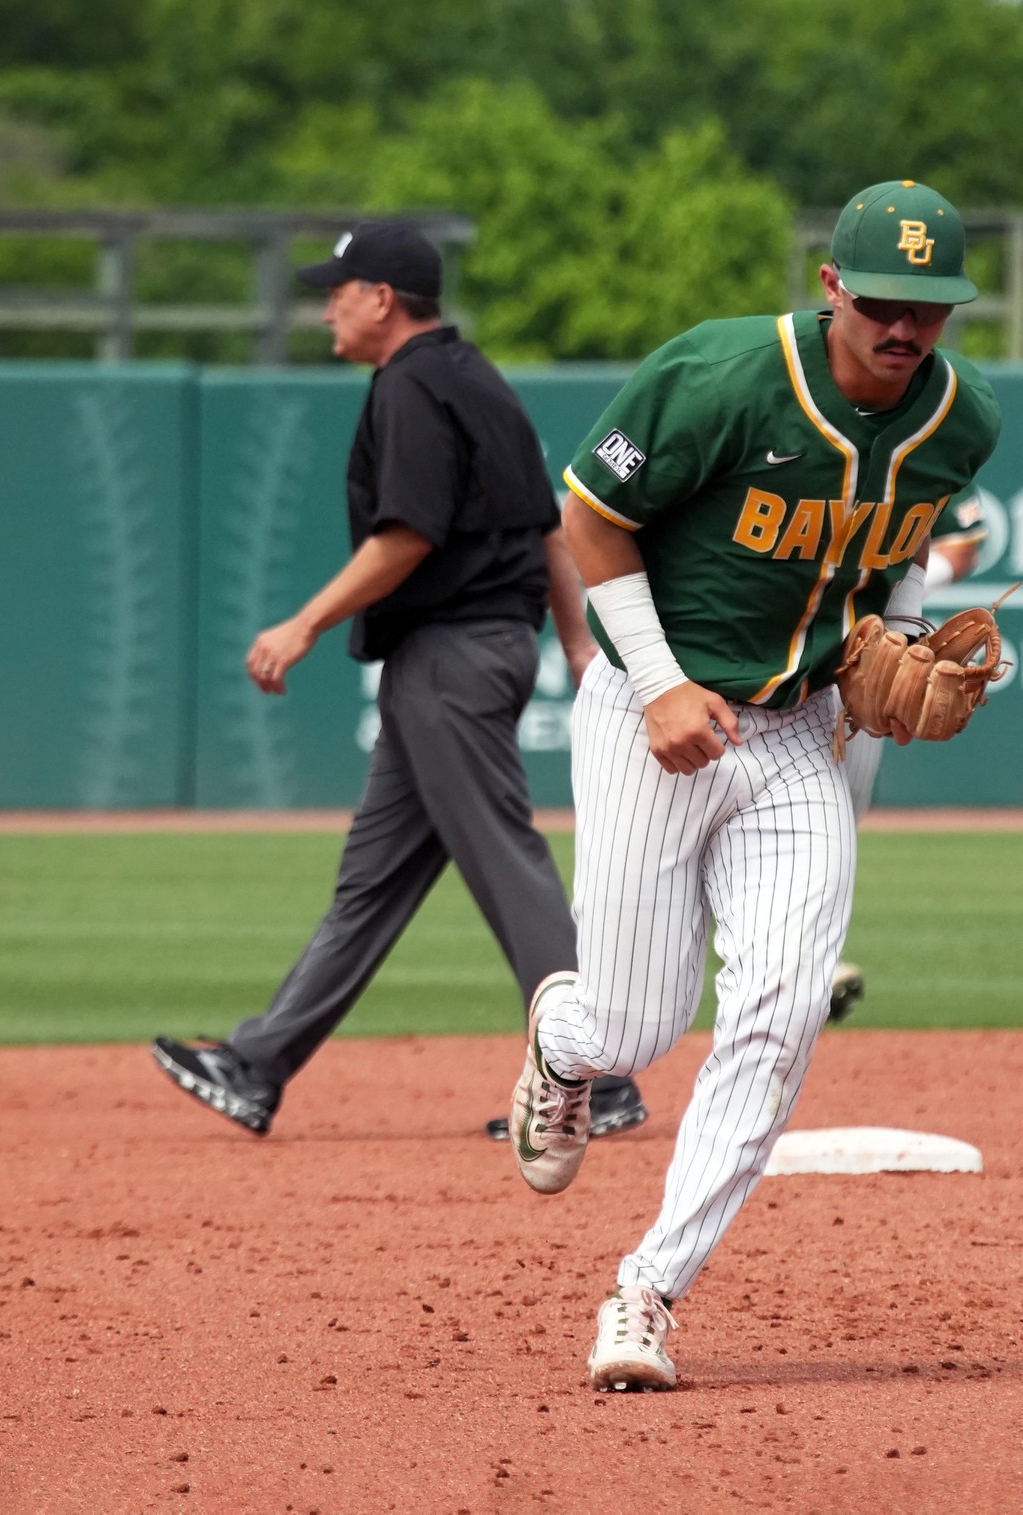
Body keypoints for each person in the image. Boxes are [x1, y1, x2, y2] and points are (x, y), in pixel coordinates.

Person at [506, 180, 1000, 1391]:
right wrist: (662, 680)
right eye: (882, 300)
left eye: (928, 307)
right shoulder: (721, 375)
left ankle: (647, 1293)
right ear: (831, 286)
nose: (904, 327)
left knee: (777, 1014)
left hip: (796, 737)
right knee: (636, 1027)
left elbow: (894, 554)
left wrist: (905, 636)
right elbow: (593, 519)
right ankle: (563, 1050)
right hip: (652, 717)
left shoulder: (958, 420)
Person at [150, 220, 647, 1139]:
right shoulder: (478, 379)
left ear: (383, 298)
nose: (327, 305)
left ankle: (598, 1074)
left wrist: (302, 623)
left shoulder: (412, 387)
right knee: (371, 885)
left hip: (451, 655)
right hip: (469, 651)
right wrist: (575, 643)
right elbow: (548, 524)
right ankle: (257, 1065)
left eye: (338, 289)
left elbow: (410, 534)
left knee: (506, 862)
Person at [825, 504, 986, 1021]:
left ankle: (809, 958)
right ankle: (790, 959)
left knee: (839, 819)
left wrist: (899, 615)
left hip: (864, 658)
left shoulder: (930, 432)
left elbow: (960, 546)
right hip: (765, 653)